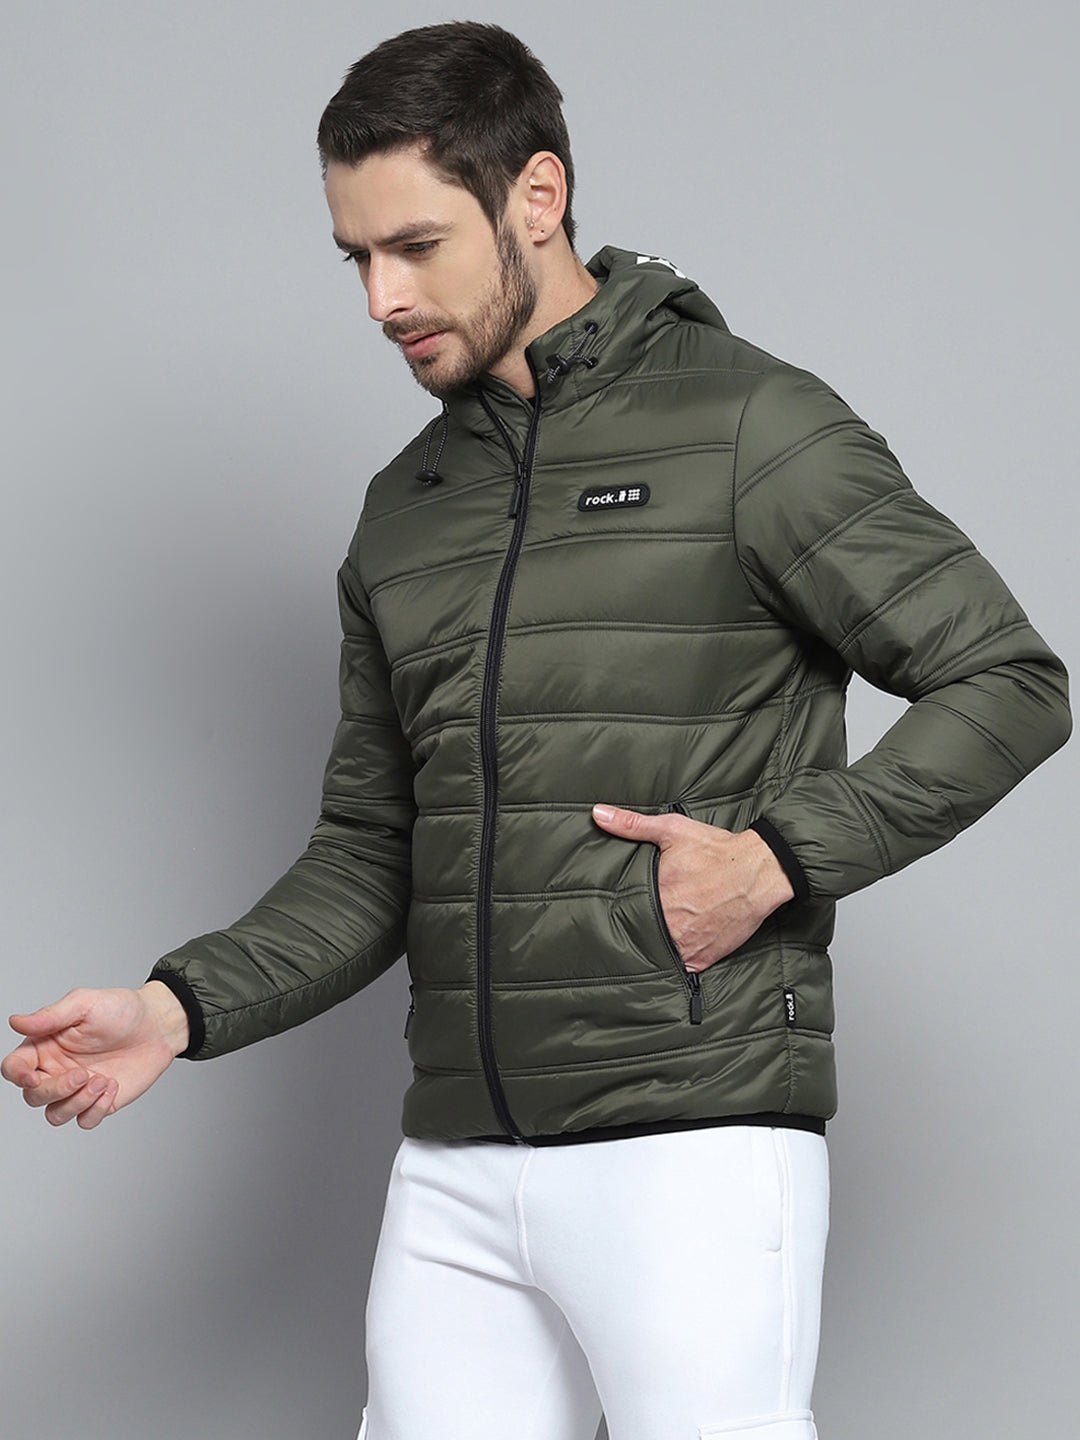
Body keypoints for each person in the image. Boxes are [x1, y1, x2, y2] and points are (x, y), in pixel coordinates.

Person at [2, 20, 1071, 1440]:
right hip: (457, 1164)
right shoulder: (407, 510)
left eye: (417, 246)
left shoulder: (749, 426)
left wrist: (776, 859)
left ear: (539, 198)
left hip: (691, 1142)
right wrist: (175, 1009)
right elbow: (375, 851)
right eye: (356, 257)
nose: (383, 298)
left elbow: (1009, 679)